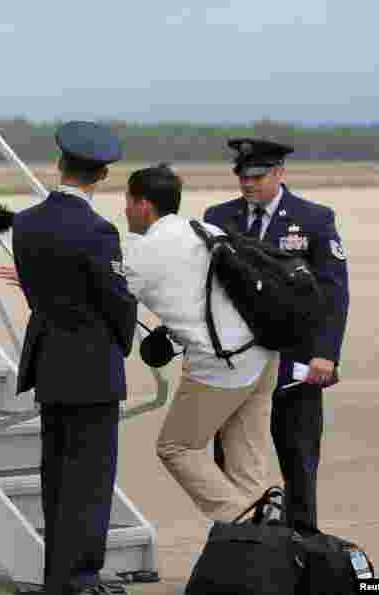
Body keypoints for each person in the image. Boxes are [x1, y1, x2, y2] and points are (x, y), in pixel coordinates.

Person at [5, 121, 137, 595]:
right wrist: (121, 342)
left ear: (60, 166)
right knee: (91, 479)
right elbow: (118, 302)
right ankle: (80, 579)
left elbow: (39, 291)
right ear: (101, 174)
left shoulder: (26, 223)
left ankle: (59, 576)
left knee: (57, 478)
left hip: (49, 362)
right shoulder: (98, 231)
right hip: (92, 367)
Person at [205, 139, 350, 536]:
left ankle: (303, 546)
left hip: (294, 365)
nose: (248, 184)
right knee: (232, 460)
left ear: (279, 174)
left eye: (257, 176)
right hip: (239, 363)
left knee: (299, 458)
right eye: (242, 176)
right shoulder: (219, 217)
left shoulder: (314, 219)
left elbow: (334, 293)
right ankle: (234, 543)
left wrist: (326, 354)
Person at [121, 164, 278, 521]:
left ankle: (245, 519)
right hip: (264, 354)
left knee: (176, 447)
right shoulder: (204, 229)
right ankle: (259, 553)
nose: (125, 210)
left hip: (223, 366)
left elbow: (112, 302)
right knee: (245, 465)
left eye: (127, 201)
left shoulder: (145, 251)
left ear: (143, 205)